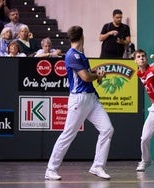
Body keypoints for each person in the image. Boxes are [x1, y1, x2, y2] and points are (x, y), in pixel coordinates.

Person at [45, 25, 114, 180]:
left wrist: (99, 74)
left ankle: (97, 166)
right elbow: (85, 77)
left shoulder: (82, 55)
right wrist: (96, 75)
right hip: (79, 99)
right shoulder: (71, 55)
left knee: (107, 129)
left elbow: (91, 76)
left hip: (91, 99)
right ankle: (51, 169)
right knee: (68, 134)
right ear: (82, 36)